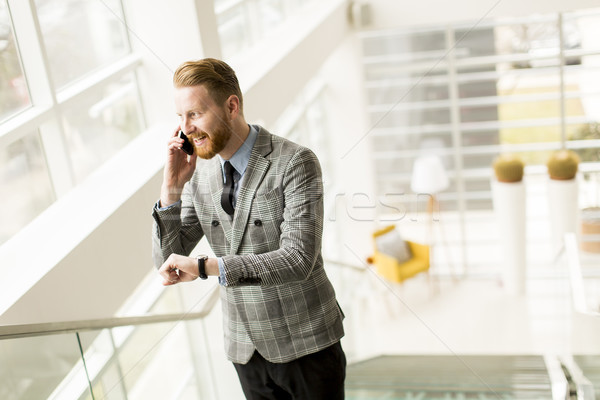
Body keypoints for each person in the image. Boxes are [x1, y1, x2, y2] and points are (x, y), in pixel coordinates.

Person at [151, 58, 346, 399]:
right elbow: (166, 259)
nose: (186, 129)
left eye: (195, 114)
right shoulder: (198, 176)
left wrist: (204, 267)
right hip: (245, 349)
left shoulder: (295, 162)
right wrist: (171, 188)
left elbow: (298, 258)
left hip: (307, 344)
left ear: (231, 106)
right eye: (180, 118)